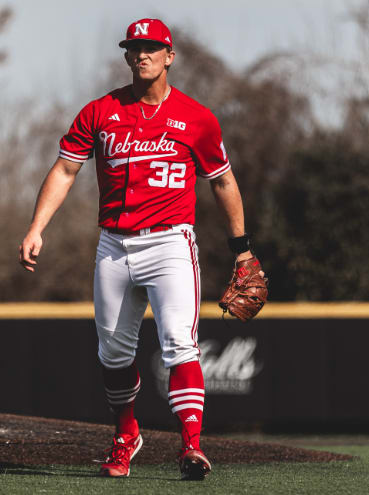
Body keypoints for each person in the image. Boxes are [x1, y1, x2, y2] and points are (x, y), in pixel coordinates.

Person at [19, 17, 262, 480]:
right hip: (113, 244)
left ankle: (192, 446)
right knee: (112, 354)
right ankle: (126, 434)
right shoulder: (100, 111)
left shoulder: (197, 118)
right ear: (128, 56)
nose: (143, 53)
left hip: (171, 242)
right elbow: (65, 170)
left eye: (152, 47)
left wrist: (243, 249)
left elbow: (223, 181)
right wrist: (36, 227)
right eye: (135, 47)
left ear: (170, 56)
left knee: (179, 343)